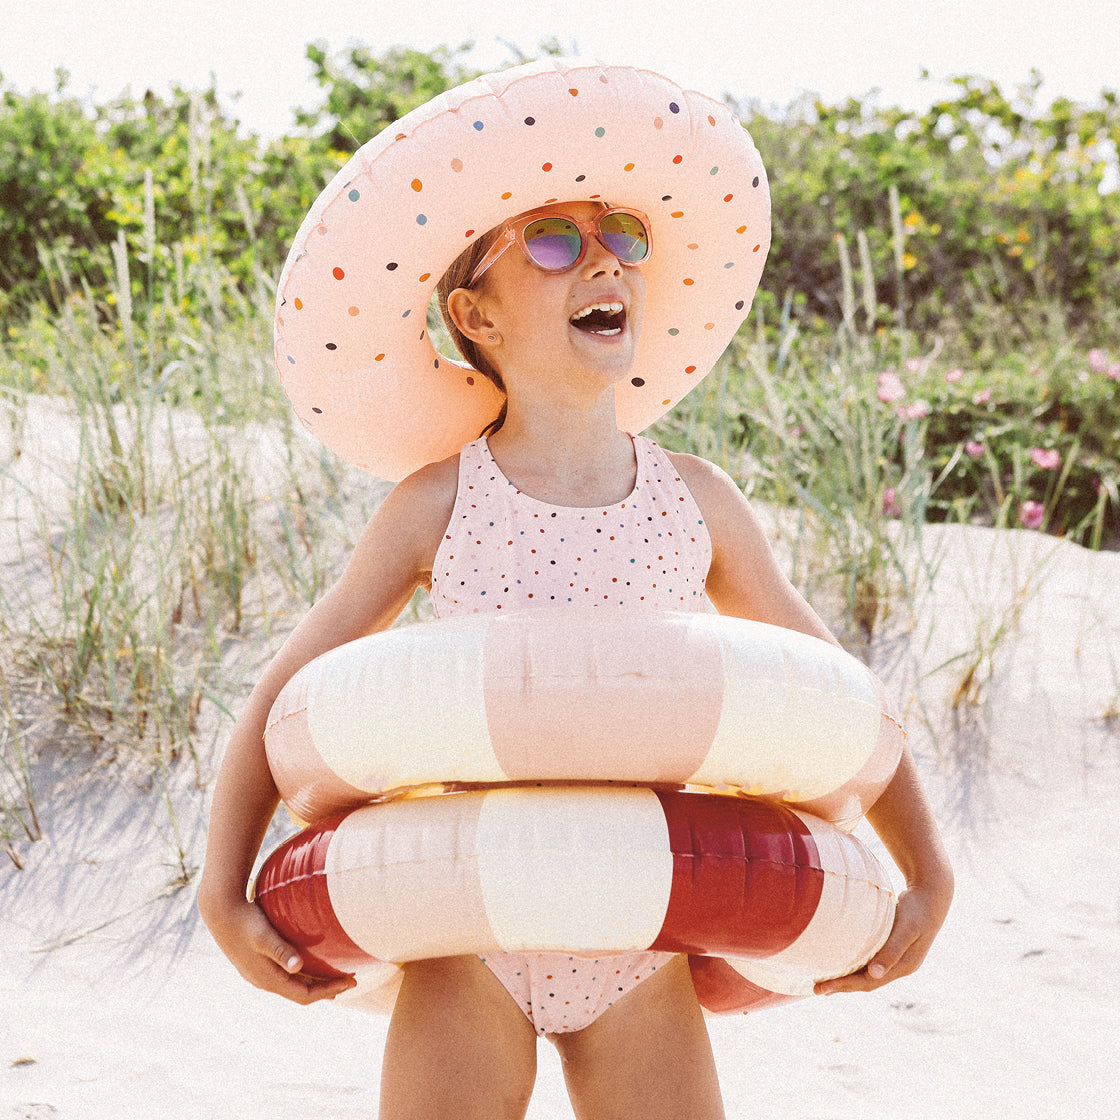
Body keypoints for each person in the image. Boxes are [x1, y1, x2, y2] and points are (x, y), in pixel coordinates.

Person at [198, 65, 953, 1120]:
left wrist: (925, 870)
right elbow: (290, 696)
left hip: (635, 936)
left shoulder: (698, 500)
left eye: (621, 239)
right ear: (476, 313)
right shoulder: (435, 501)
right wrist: (220, 890)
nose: (601, 258)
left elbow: (835, 702)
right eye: (552, 241)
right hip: (470, 933)